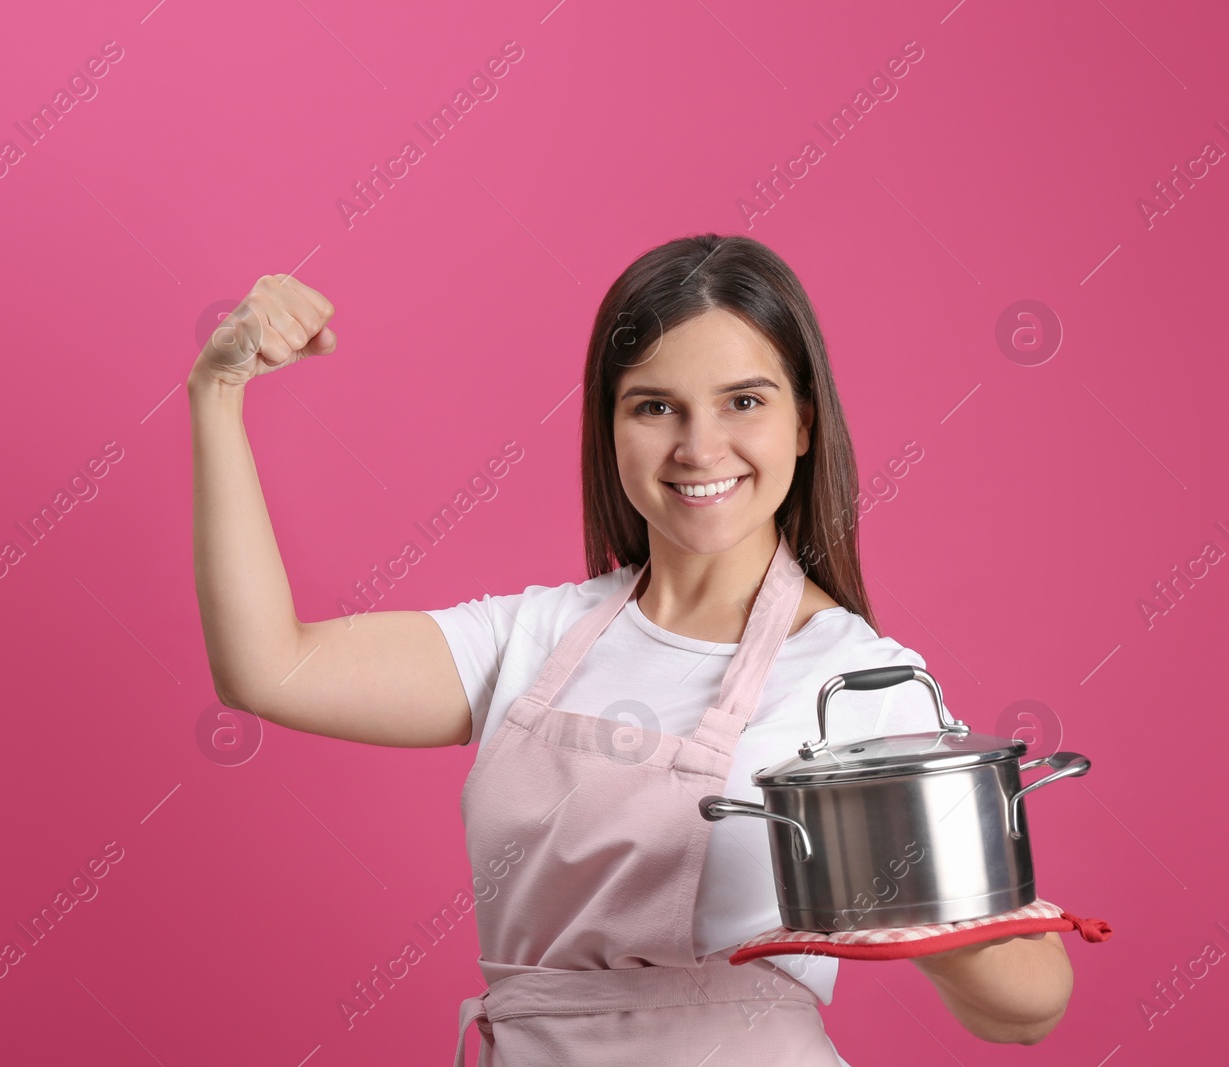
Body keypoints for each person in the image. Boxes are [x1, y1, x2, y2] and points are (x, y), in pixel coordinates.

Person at [189, 234, 1075, 1065]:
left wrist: (903, 885)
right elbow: (270, 667)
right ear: (609, 426)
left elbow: (1028, 1003)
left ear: (805, 422)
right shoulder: (529, 637)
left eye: (744, 401)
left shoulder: (858, 685)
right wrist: (217, 396)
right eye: (655, 405)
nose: (699, 446)